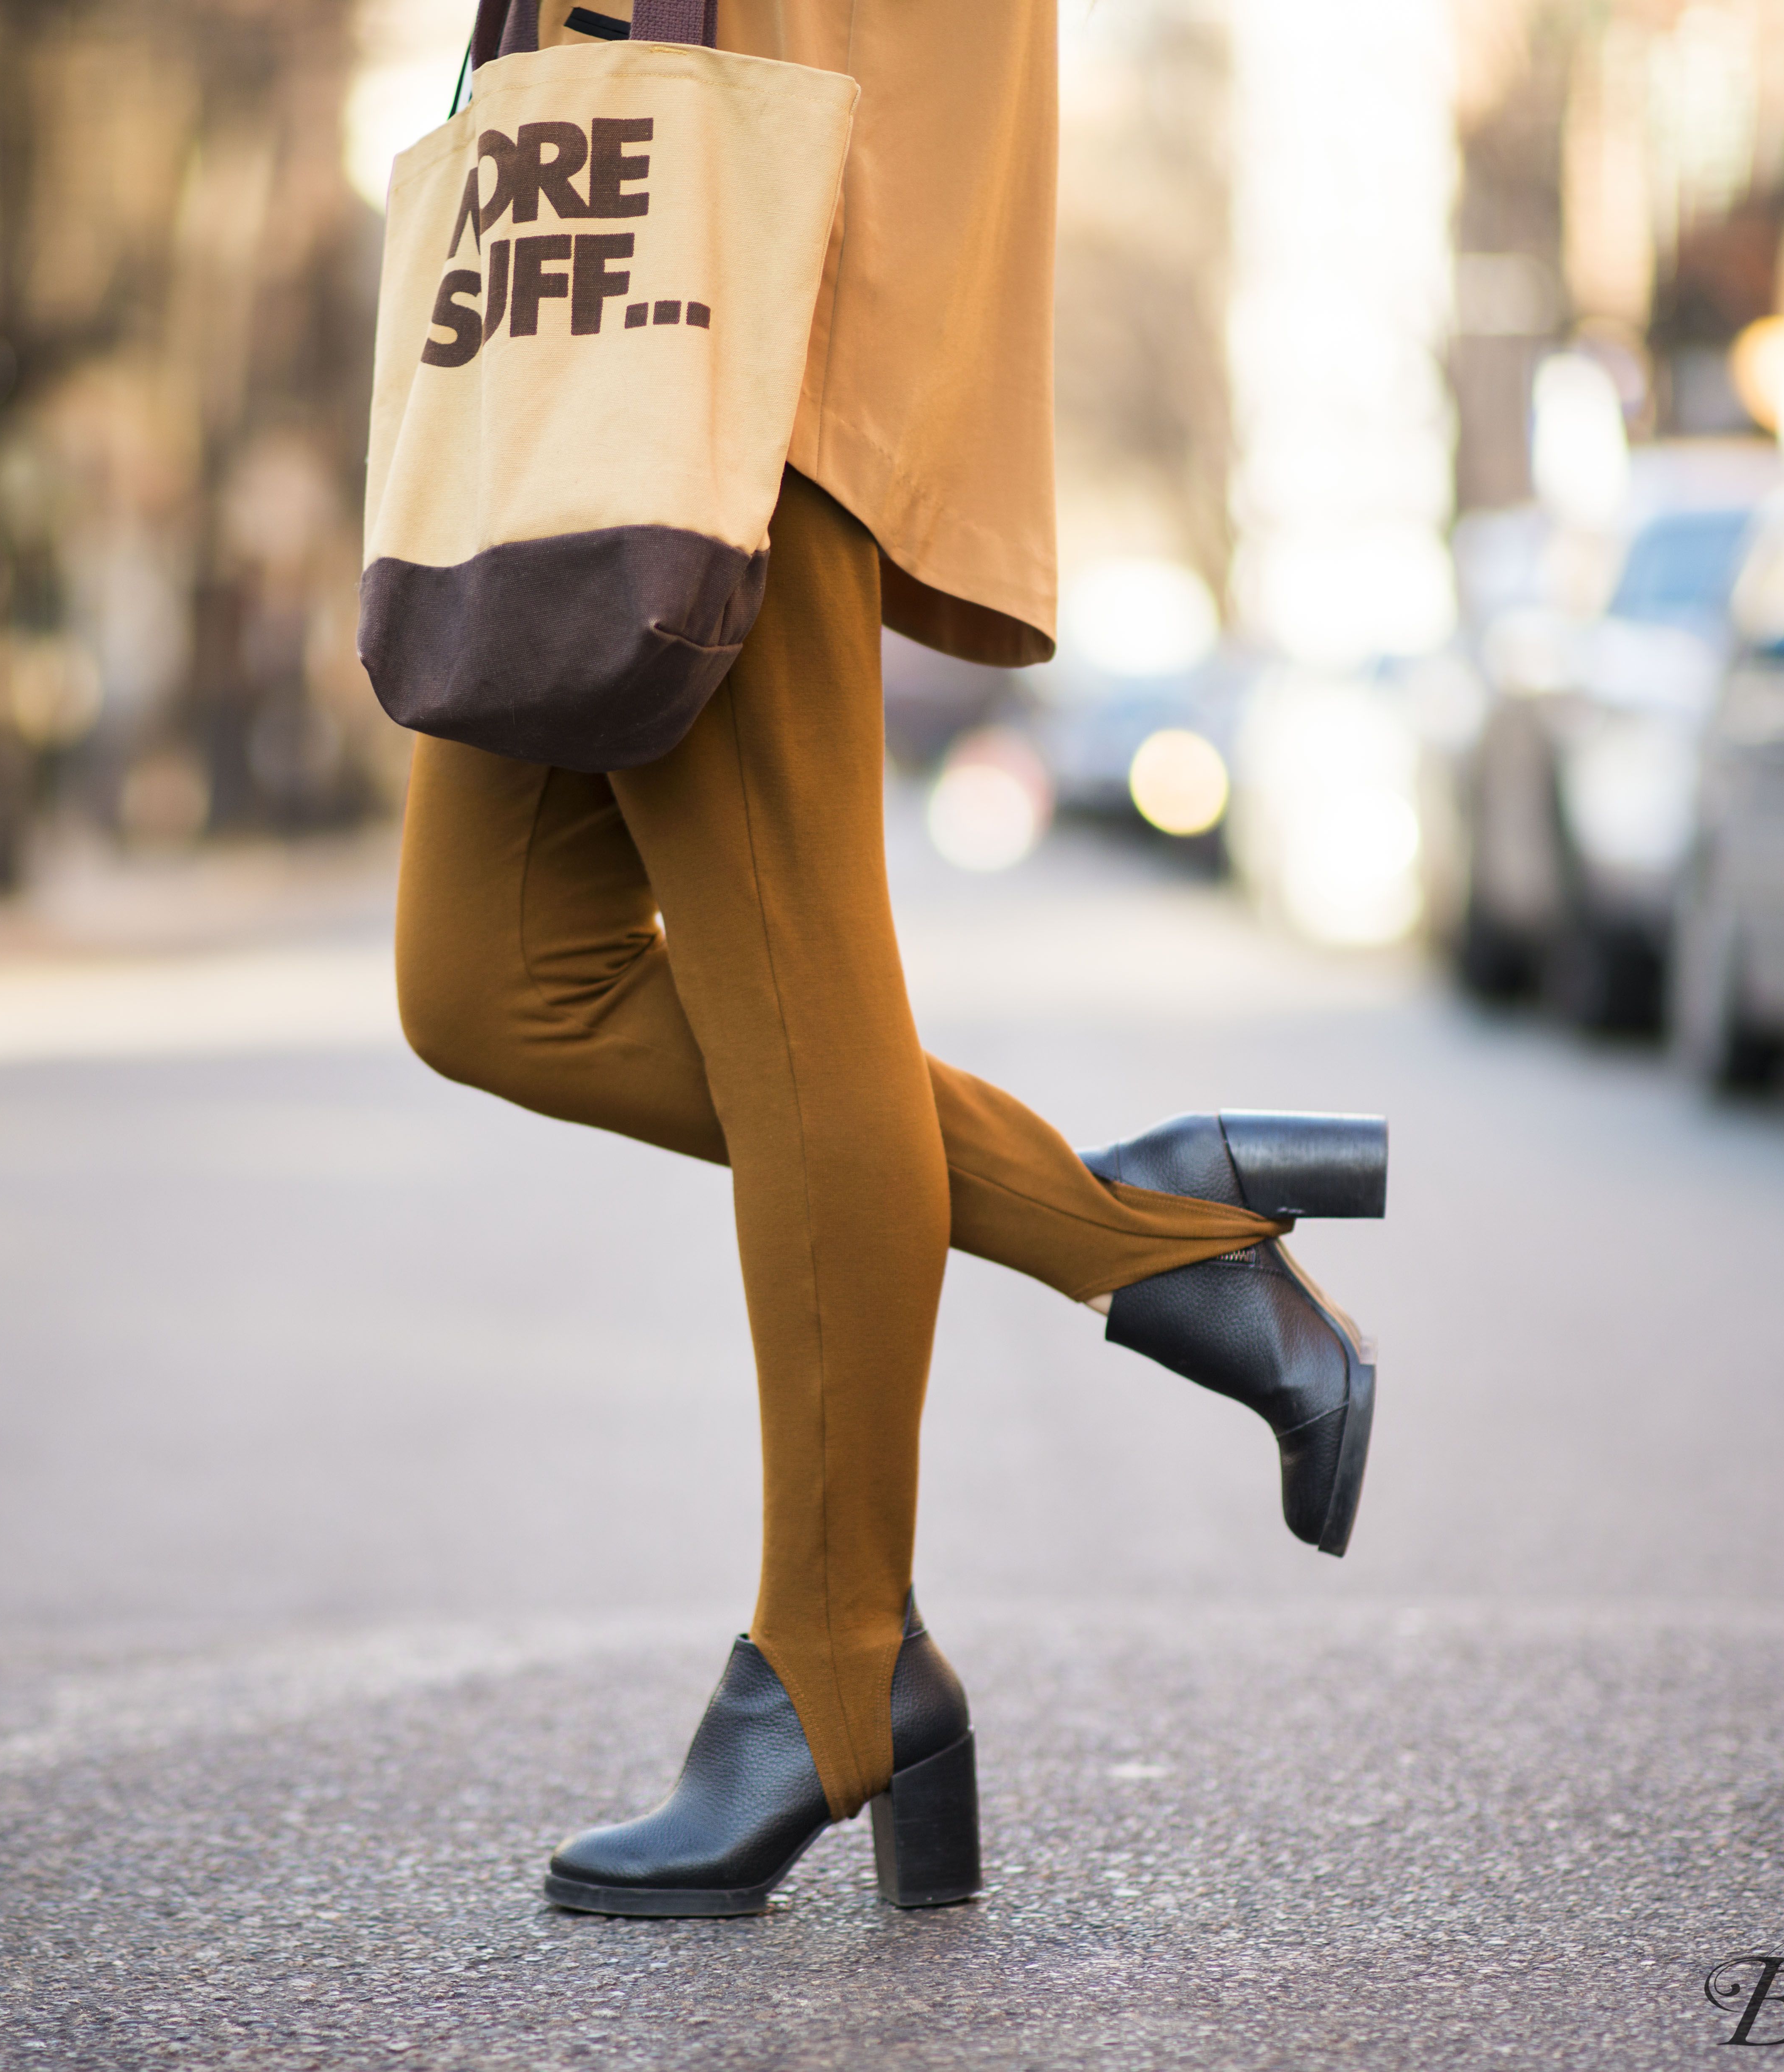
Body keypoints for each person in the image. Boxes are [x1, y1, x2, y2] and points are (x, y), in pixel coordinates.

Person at [388, 0, 1385, 1919]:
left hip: (744, 256)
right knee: (490, 978)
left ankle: (838, 1665)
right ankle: (1150, 1235)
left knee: (794, 998)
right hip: (594, 258)